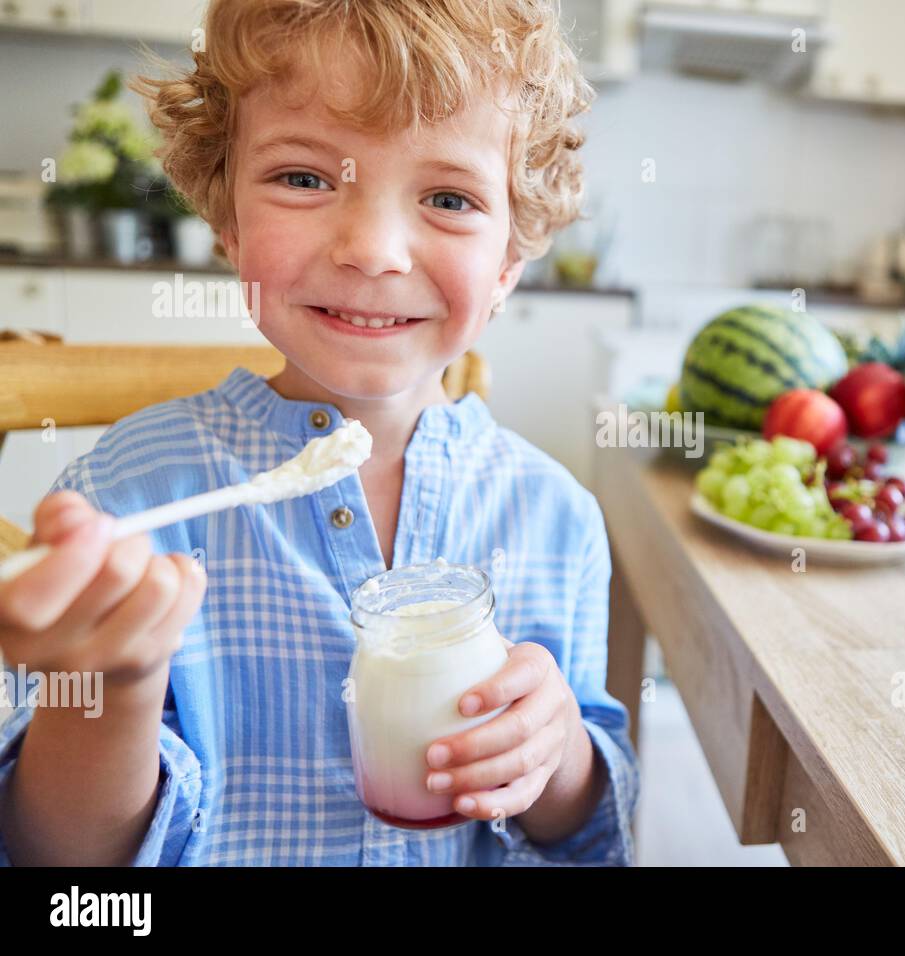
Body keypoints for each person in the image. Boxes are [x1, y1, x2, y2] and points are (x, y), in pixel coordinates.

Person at [0, 0, 637, 866]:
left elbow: (587, 831)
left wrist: (555, 755)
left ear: (509, 264)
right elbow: (60, 867)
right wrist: (110, 689)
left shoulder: (557, 519)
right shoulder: (124, 500)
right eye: (305, 178)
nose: (373, 249)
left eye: (449, 198)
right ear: (225, 217)